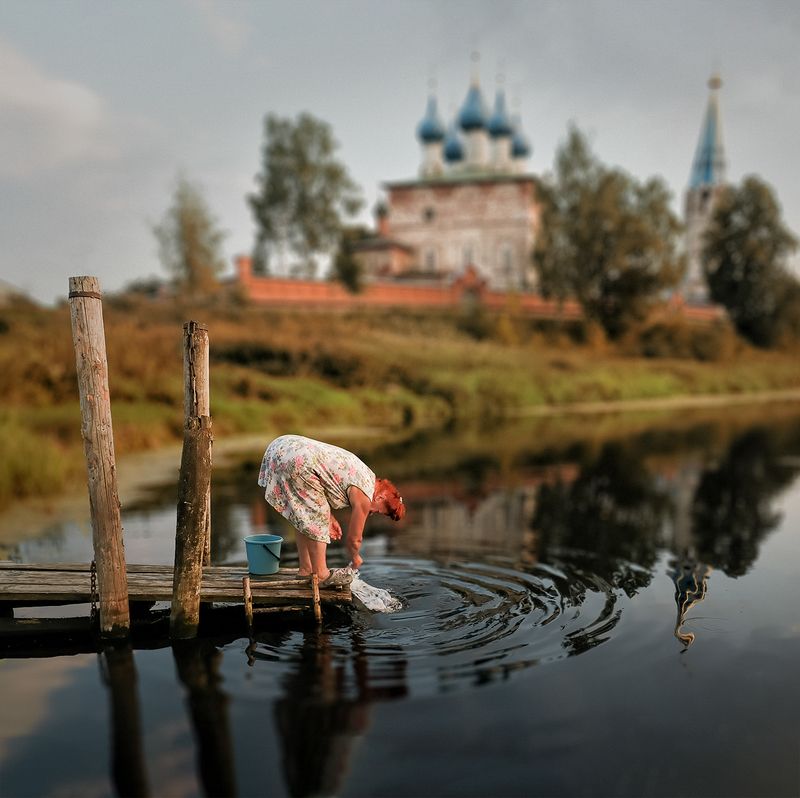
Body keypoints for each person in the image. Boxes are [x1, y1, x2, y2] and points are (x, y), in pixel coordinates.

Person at [258, 434, 405, 587]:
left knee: (304, 516)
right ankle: (322, 574)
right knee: (318, 521)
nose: (372, 513)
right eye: (378, 511)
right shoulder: (365, 496)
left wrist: (330, 517)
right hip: (299, 460)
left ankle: (306, 570)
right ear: (380, 497)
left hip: (281, 447)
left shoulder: (366, 475)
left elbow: (326, 479)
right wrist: (355, 557)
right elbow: (354, 539)